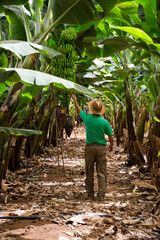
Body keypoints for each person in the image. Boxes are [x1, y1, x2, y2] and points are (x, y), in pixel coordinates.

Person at [71, 94, 113, 201]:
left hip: (89, 148)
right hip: (101, 148)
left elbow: (79, 110)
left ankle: (90, 194)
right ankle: (101, 196)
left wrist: (75, 100)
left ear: (92, 109)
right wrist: (111, 146)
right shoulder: (105, 122)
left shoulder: (87, 118)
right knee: (101, 172)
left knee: (89, 171)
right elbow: (111, 135)